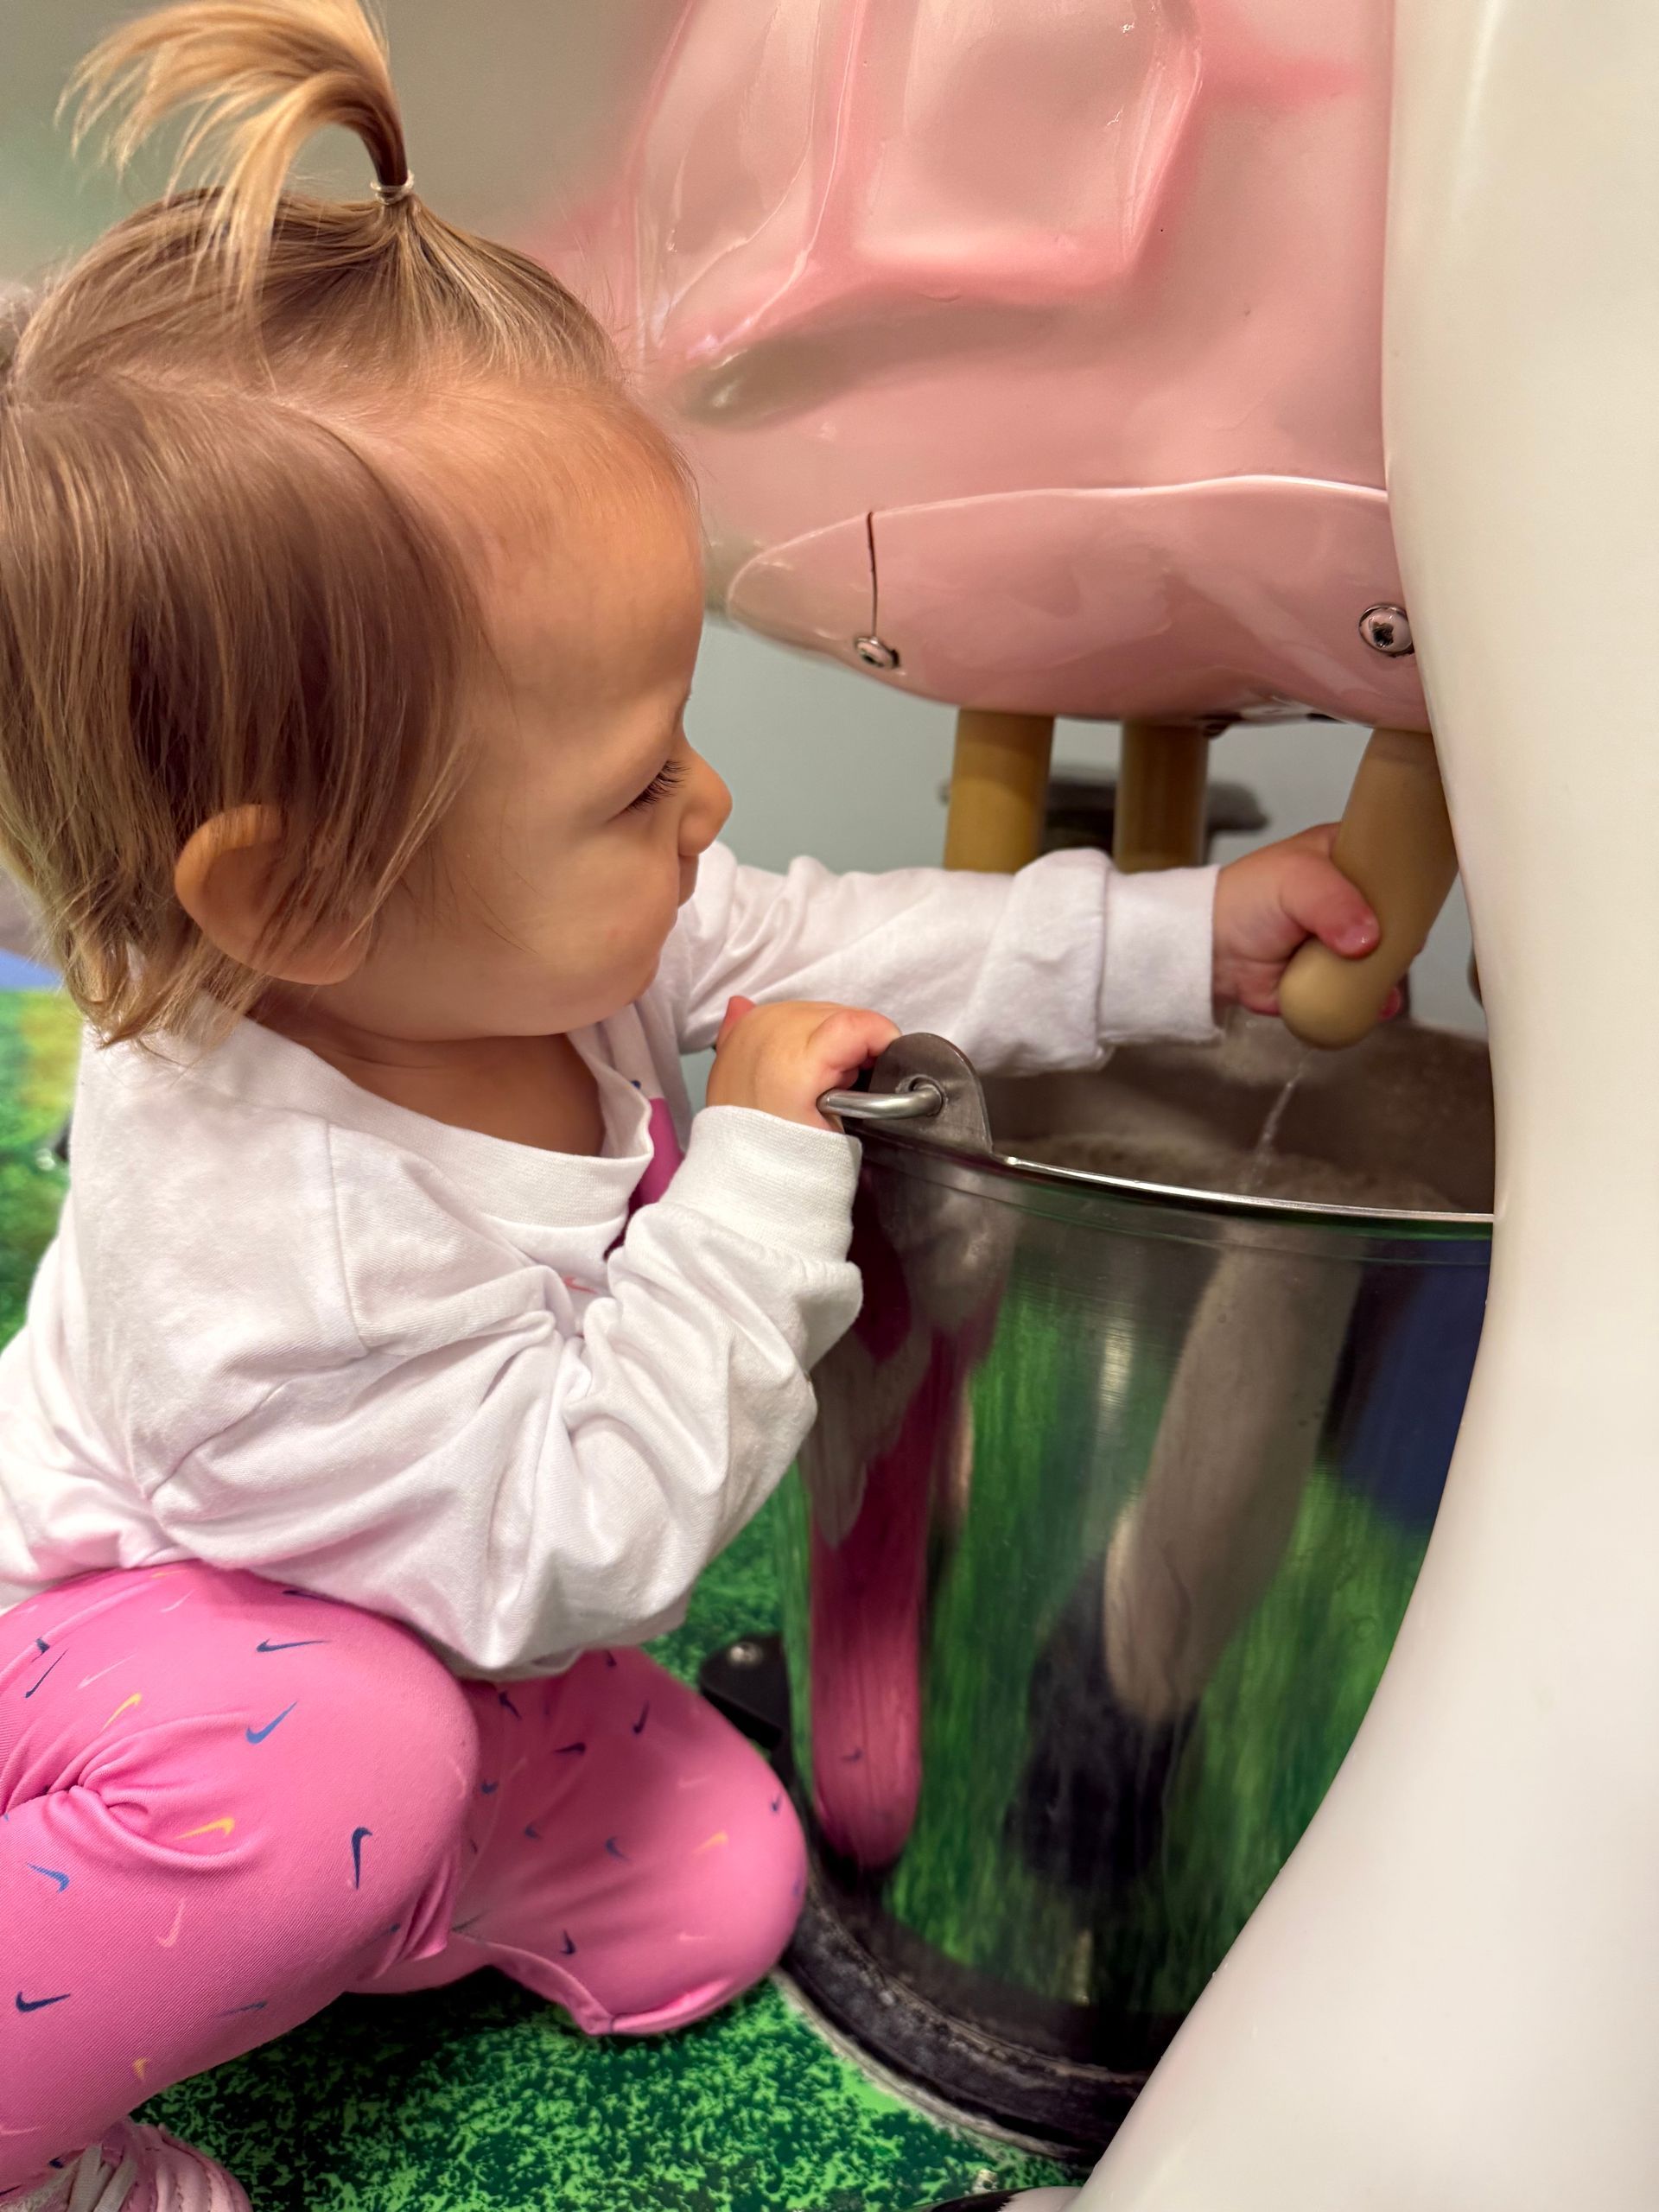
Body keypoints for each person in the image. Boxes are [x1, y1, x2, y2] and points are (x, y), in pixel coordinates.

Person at [0, 5, 1386, 2206]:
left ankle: (365, 1880)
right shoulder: (264, 1247)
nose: (706, 802)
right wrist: (754, 1173)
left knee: (723, 1884)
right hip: (117, 1645)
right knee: (336, 1776)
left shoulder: (526, 940)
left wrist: (1173, 936)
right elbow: (583, 1537)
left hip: (420, 1616)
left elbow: (844, 936)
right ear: (293, 890)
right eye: (634, 780)